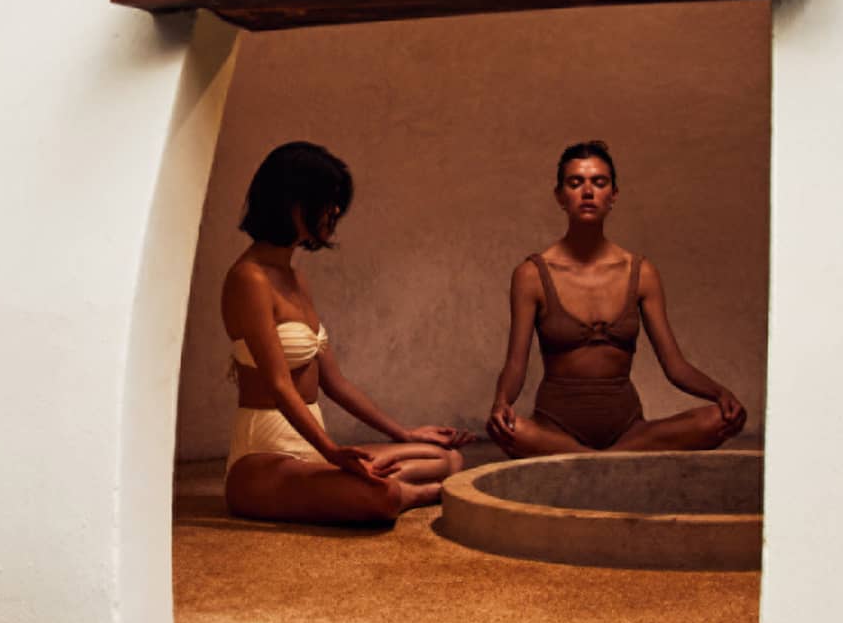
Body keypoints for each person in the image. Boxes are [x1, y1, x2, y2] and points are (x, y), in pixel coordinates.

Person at [222, 141, 471, 522]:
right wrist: (334, 453)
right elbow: (278, 384)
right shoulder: (248, 279)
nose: (334, 210)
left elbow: (335, 383)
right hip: (263, 459)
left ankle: (403, 483)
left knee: (445, 456)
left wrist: (403, 433)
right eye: (326, 199)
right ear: (291, 200)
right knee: (383, 496)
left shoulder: (294, 278)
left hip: (312, 450)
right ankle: (422, 493)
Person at [488, 139, 746, 457]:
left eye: (599, 182)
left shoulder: (640, 272)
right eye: (575, 183)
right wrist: (501, 402)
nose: (587, 192)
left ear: (613, 195)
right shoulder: (531, 275)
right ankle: (614, 462)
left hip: (629, 429)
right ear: (560, 196)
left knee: (719, 418)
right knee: (507, 430)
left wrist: (721, 393)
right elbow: (516, 364)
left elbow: (674, 365)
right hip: (554, 429)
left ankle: (589, 462)